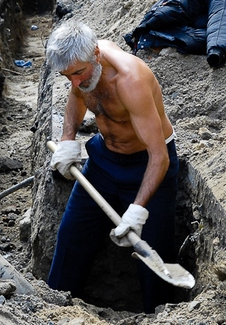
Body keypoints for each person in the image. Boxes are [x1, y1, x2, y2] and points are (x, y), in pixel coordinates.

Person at [45, 20, 179, 313]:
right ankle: (54, 309)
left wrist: (138, 209)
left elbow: (160, 156)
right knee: (71, 237)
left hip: (147, 165)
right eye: (67, 76)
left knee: (154, 260)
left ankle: (158, 316)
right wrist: (68, 140)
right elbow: (76, 96)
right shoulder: (80, 71)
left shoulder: (131, 81)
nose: (75, 82)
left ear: (95, 54)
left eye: (78, 73)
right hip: (104, 161)